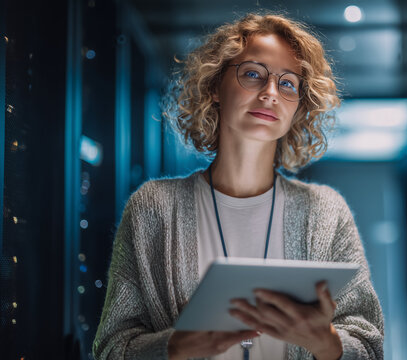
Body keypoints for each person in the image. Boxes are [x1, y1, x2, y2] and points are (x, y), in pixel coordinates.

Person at [93, 12, 384, 360]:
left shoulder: (326, 211)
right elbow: (111, 349)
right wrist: (174, 348)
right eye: (252, 74)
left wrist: (326, 343)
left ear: (298, 107)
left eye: (288, 83)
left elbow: (370, 346)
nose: (271, 93)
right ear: (215, 86)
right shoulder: (152, 207)